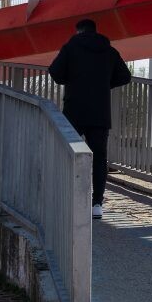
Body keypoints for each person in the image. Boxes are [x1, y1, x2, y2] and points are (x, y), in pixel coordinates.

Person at [47, 19, 132, 219]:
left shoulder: (71, 47)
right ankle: (96, 204)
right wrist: (103, 84)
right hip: (99, 112)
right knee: (99, 157)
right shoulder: (109, 51)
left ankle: (68, 199)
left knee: (68, 154)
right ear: (95, 30)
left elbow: (55, 73)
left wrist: (72, 80)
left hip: (74, 110)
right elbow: (125, 76)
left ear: (78, 31)